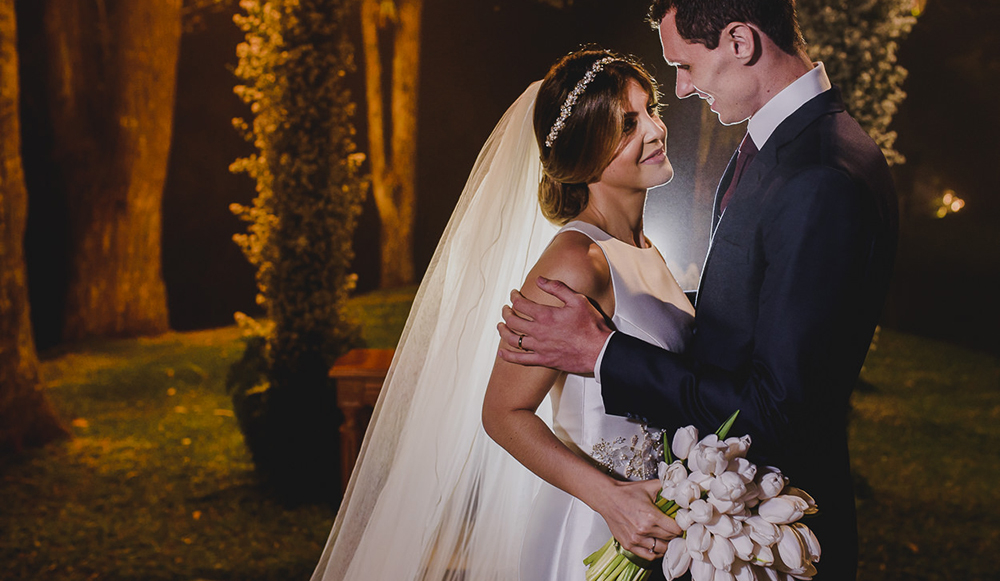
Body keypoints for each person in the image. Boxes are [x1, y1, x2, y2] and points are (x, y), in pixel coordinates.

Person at [498, 2, 899, 580]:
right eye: (626, 122)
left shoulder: (817, 174)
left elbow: (777, 408)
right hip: (659, 523)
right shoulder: (779, 147)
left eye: (683, 66)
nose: (679, 93)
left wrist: (604, 350)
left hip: (766, 520)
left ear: (739, 42)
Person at [311, 49, 690, 581]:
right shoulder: (575, 262)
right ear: (585, 153)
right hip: (594, 533)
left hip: (656, 523)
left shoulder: (645, 248)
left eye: (651, 110)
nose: (655, 131)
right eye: (629, 125)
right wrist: (611, 498)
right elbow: (503, 413)